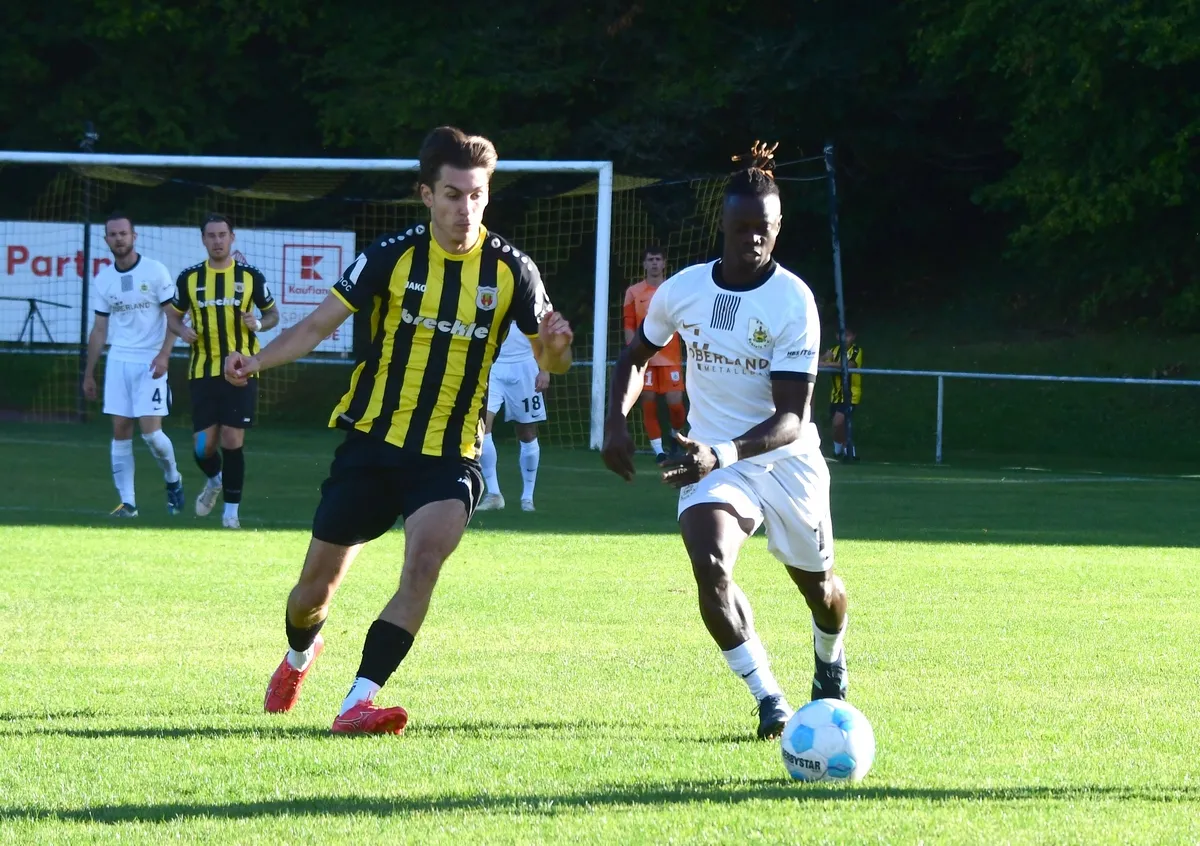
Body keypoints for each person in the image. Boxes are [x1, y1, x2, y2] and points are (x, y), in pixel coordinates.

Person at [223, 126, 573, 735]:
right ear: (426, 195)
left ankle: (358, 701)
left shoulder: (513, 270)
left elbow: (552, 360)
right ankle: (300, 655)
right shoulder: (392, 256)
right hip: (373, 444)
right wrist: (255, 361)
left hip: (450, 453)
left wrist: (558, 347)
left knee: (423, 565)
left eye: (477, 196)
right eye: (453, 195)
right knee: (311, 595)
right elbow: (316, 326)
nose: (465, 209)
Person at [602, 141, 850, 741]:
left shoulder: (793, 301)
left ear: (779, 226)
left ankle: (830, 659)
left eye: (764, 228)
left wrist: (722, 453)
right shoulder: (684, 289)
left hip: (785, 460)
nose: (753, 239)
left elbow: (792, 417)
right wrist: (614, 420)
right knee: (708, 561)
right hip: (712, 459)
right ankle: (770, 700)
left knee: (819, 590)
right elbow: (635, 357)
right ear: (723, 225)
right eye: (742, 228)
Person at [166, 214, 279, 528]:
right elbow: (173, 316)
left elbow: (272, 314)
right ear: (203, 239)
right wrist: (181, 330)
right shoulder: (189, 278)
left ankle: (231, 514)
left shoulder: (250, 276)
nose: (217, 241)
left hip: (241, 370)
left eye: (222, 235)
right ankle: (215, 480)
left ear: (232, 237)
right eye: (211, 236)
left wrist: (258, 323)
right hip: (203, 371)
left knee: (232, 439)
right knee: (203, 447)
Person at [82, 212, 185, 517]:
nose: (119, 239)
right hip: (119, 361)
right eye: (113, 234)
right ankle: (128, 504)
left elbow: (174, 318)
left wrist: (164, 355)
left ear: (134, 236)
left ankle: (173, 479)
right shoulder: (104, 279)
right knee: (120, 430)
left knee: (152, 435)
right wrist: (89, 373)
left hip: (150, 360)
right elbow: (99, 329)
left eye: (123, 233)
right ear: (106, 240)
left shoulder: (154, 271)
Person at [623, 247, 687, 463]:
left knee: (676, 404)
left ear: (664, 263)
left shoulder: (674, 290)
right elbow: (629, 323)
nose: (654, 263)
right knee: (648, 402)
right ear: (644, 264)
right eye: (650, 260)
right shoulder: (633, 292)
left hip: (670, 357)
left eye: (658, 259)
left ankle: (675, 436)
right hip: (645, 357)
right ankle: (659, 451)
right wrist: (633, 351)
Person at [477, 321, 549, 512]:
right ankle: (494, 494)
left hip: (525, 366)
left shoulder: (534, 304)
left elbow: (545, 336)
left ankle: (527, 497)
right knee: (481, 426)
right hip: (492, 366)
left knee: (527, 432)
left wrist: (544, 370)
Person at [821, 329, 862, 461]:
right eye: (842, 335)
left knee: (838, 422)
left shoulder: (856, 351)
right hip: (836, 395)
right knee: (837, 427)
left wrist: (828, 363)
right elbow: (819, 362)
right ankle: (839, 452)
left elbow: (849, 365)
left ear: (853, 337)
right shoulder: (834, 350)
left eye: (848, 335)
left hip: (850, 395)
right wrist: (825, 358)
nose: (844, 338)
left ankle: (849, 452)